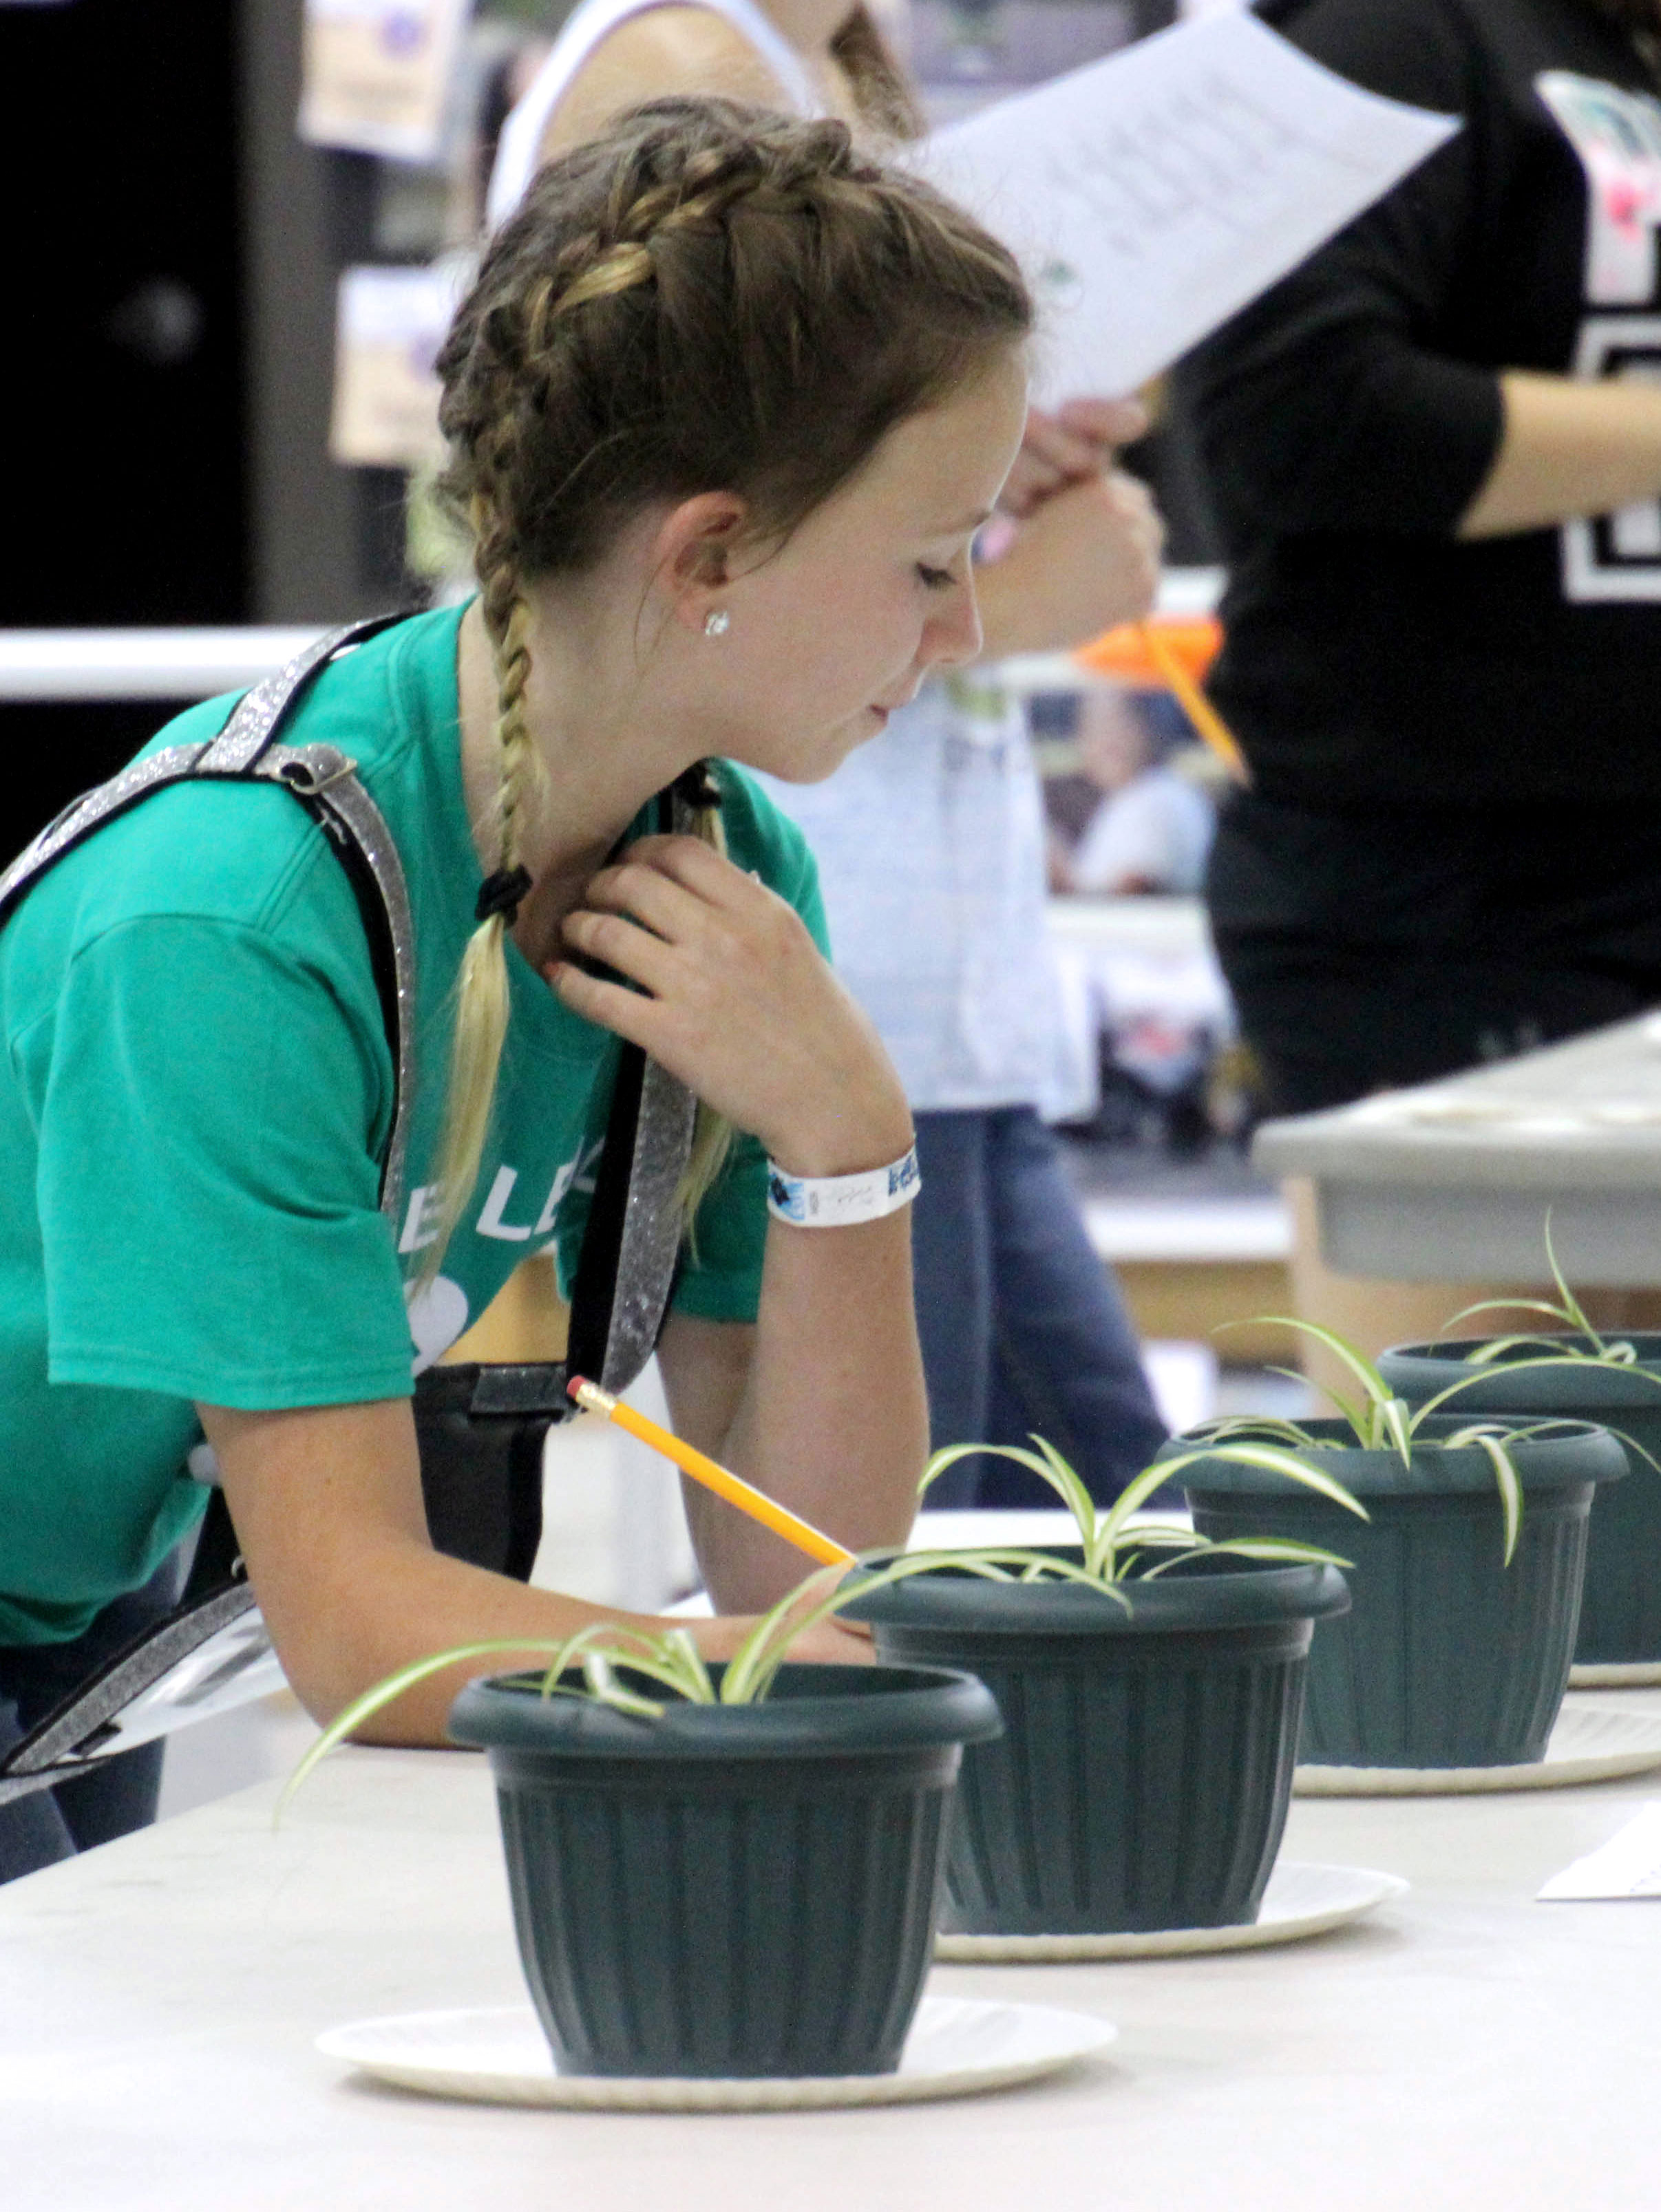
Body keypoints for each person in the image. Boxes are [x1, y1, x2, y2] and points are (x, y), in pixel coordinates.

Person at [0, 100, 1036, 1979]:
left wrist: (846, 1140)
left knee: (99, 2070)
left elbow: (799, 1569)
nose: (967, 625)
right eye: (927, 559)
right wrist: (760, 1682)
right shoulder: (237, 917)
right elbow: (359, 1628)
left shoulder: (726, 872)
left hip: (77, 1537)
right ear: (706, 552)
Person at [485, 0, 1171, 1502]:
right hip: (819, 939)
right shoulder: (686, 70)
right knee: (1004, 1556)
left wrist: (974, 493)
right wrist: (1003, 590)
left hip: (884, 955)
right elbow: (657, 512)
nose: (950, 610)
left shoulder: (811, 72)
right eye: (931, 570)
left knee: (1100, 1531)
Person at [1174, 0, 1661, 1358]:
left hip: (1611, 850)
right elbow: (1296, 408)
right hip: (1438, 883)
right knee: (1473, 1492)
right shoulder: (1406, 31)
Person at [1056, 689, 1216, 897]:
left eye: (1119, 723)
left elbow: (1128, 897)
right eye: (1093, 728)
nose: (1106, 741)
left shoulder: (1156, 799)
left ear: (1148, 727)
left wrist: (1057, 864)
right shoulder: (1131, 796)